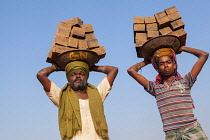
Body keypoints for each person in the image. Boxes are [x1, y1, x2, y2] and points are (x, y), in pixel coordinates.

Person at [127, 46, 209, 140]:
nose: (166, 65)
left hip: (192, 129)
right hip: (171, 134)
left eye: (168, 62)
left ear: (174, 65)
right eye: (161, 64)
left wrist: (182, 48)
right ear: (157, 68)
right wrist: (148, 61)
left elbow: (204, 55)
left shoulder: (185, 81)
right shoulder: (155, 88)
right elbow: (131, 70)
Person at [37, 61, 118, 140]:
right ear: (68, 80)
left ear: (86, 78)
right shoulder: (61, 97)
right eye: (73, 74)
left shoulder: (97, 94)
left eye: (82, 73)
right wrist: (55, 67)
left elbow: (113, 70)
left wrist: (92, 67)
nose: (78, 76)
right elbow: (41, 75)